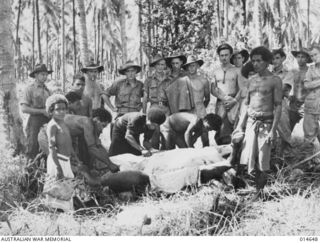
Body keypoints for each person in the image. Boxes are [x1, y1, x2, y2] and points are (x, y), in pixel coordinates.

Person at [235, 46, 282, 197]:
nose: (255, 64)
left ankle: (259, 193)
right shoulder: (251, 80)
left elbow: (278, 106)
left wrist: (273, 131)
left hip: (266, 123)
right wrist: (240, 126)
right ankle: (251, 189)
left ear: (267, 62)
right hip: (251, 122)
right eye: (253, 61)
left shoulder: (275, 81)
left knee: (263, 159)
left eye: (259, 61)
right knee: (248, 157)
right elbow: (246, 104)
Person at [38, 104, 120, 173]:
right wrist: (109, 164)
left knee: (72, 165)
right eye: (102, 125)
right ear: (96, 119)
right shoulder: (87, 123)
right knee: (59, 165)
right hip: (46, 136)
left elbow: (98, 146)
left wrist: (109, 162)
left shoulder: (91, 125)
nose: (102, 130)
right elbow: (92, 148)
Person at [211, 43, 241, 145]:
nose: (224, 58)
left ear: (231, 55)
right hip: (221, 103)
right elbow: (213, 88)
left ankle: (234, 155)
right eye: (222, 55)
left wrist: (234, 100)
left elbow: (242, 89)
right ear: (219, 56)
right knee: (220, 129)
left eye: (226, 55)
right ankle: (222, 156)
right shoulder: (215, 71)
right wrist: (222, 98)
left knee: (235, 128)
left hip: (234, 102)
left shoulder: (237, 70)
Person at [20, 64, 52, 160]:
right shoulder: (29, 89)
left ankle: (43, 170)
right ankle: (29, 171)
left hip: (47, 120)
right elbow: (24, 109)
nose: (45, 77)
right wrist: (41, 111)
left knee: (46, 145)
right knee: (33, 146)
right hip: (34, 121)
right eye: (42, 74)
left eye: (46, 74)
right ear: (36, 75)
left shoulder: (48, 91)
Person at [182, 55, 211, 146]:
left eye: (193, 65)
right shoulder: (183, 81)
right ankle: (190, 152)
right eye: (189, 66)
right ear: (186, 67)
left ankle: (207, 152)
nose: (191, 68)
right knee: (188, 133)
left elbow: (207, 98)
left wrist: (201, 106)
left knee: (204, 132)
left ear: (197, 66)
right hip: (188, 110)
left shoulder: (203, 80)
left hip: (200, 108)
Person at [143, 54, 169, 149]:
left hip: (166, 107)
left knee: (167, 131)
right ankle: (155, 153)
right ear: (154, 66)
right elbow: (145, 97)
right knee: (155, 131)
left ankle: (167, 153)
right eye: (158, 65)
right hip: (154, 107)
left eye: (162, 65)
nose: (160, 67)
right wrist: (144, 114)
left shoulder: (169, 79)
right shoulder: (149, 80)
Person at [303, 45, 320, 162]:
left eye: (316, 54)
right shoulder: (311, 69)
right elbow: (307, 85)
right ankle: (311, 162)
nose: (314, 57)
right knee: (309, 134)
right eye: (312, 55)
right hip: (312, 104)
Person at [289, 48, 312, 130]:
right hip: (294, 104)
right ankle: (285, 143)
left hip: (307, 105)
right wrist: (289, 95)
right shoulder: (292, 71)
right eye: (298, 56)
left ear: (307, 59)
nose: (300, 59)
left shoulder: (311, 72)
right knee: (287, 129)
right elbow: (288, 86)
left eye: (303, 57)